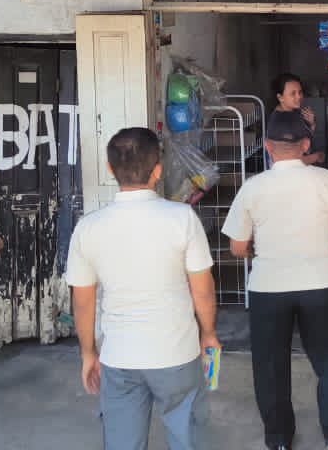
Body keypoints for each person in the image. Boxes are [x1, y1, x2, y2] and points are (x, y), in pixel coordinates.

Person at [64, 127, 218, 450]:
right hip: (177, 352)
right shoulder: (182, 219)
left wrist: (88, 352)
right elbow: (202, 290)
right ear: (158, 170)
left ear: (110, 169)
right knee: (188, 438)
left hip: (119, 356)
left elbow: (83, 302)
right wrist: (208, 333)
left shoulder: (88, 228)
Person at [223, 110, 328, 450]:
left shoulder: (254, 187)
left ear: (267, 147)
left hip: (269, 287)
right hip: (320, 284)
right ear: (305, 144)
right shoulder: (325, 180)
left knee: (270, 365)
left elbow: (237, 247)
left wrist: (258, 249)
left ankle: (280, 439)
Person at [272, 72, 326, 166]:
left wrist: (312, 124)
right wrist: (317, 156)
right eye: (293, 93)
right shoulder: (280, 123)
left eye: (300, 92)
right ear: (280, 97)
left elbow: (302, 140)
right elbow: (290, 161)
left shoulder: (293, 111)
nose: (299, 96)